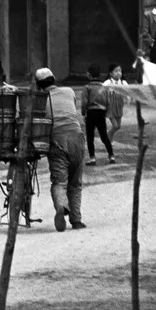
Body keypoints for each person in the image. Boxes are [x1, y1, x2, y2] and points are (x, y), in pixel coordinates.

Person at [35, 67, 86, 231]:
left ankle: (61, 206)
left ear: (38, 85)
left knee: (59, 182)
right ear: (54, 79)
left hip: (56, 139)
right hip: (76, 136)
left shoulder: (40, 98)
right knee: (75, 183)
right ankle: (76, 221)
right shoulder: (69, 91)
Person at [80, 64, 114, 165]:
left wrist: (83, 112)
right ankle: (111, 156)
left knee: (90, 137)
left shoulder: (87, 87)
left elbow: (84, 102)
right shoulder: (104, 87)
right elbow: (108, 101)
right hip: (101, 113)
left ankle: (92, 158)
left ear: (89, 75)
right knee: (104, 136)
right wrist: (106, 112)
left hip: (91, 113)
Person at [102, 63, 127, 142]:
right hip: (110, 106)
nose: (119, 73)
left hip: (119, 106)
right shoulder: (107, 82)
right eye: (116, 71)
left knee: (118, 126)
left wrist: (128, 98)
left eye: (120, 71)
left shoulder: (123, 83)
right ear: (110, 73)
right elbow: (101, 92)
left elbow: (128, 92)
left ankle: (109, 138)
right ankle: (107, 138)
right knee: (115, 126)